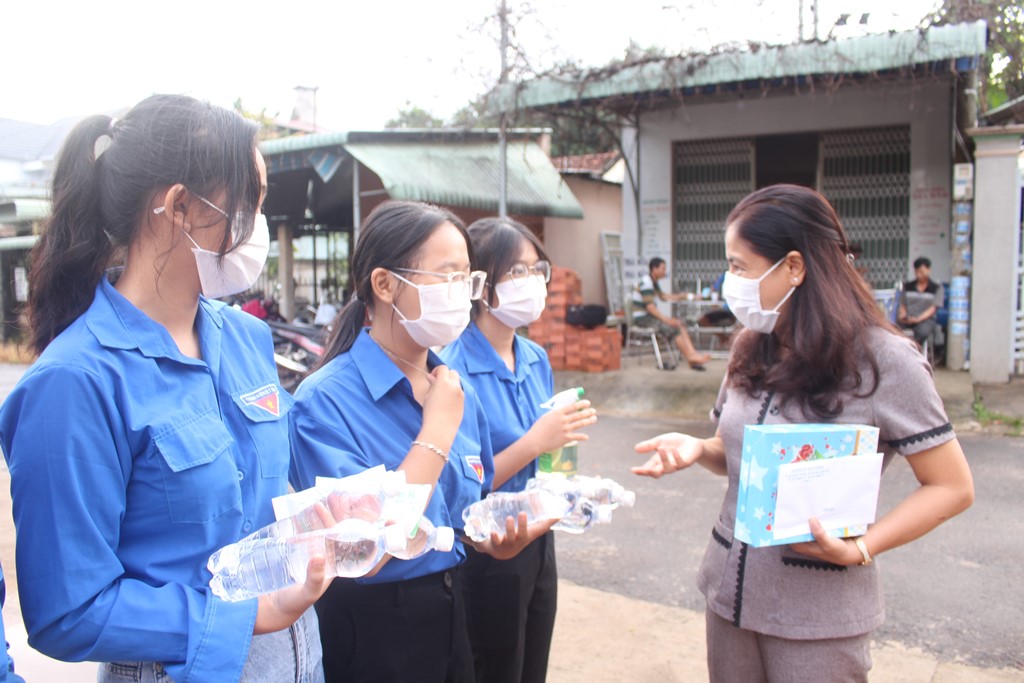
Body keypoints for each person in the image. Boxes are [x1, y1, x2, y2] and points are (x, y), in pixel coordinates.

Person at [0, 94, 329, 682]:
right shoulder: (75, 382)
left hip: (295, 659)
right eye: (248, 202)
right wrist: (239, 617)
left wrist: (333, 516)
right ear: (180, 205)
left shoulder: (247, 338)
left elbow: (265, 499)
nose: (258, 223)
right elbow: (68, 610)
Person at [631, 184, 974, 683]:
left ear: (793, 267)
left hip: (818, 614)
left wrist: (863, 546)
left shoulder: (885, 361)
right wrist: (699, 449)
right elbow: (746, 457)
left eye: (740, 267)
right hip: (731, 597)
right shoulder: (752, 344)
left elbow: (953, 486)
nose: (731, 282)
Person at [288, 201, 554, 683]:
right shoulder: (324, 402)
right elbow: (362, 547)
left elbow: (461, 511)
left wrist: (493, 542)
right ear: (385, 284)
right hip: (374, 626)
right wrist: (435, 432)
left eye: (467, 280)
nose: (462, 295)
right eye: (446, 276)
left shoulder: (452, 388)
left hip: (454, 609)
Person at [441, 218, 598, 683]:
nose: (532, 283)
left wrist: (567, 481)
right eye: (516, 272)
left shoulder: (535, 357)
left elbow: (549, 456)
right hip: (489, 547)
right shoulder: (453, 368)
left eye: (536, 270)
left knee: (533, 664)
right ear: (482, 286)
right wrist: (537, 440)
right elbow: (459, 486)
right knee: (496, 666)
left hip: (539, 535)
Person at [631, 257, 712, 370]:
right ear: (654, 269)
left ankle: (693, 355)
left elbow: (664, 297)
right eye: (663, 268)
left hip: (649, 317)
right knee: (674, 327)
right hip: (642, 319)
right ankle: (690, 357)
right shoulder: (646, 283)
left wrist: (686, 296)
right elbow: (650, 308)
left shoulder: (653, 282)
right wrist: (668, 320)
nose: (665, 271)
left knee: (679, 324)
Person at [898, 256, 944, 347]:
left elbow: (933, 308)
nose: (919, 275)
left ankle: (915, 351)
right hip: (909, 318)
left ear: (929, 270)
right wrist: (903, 315)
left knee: (921, 332)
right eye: (917, 272)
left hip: (926, 320)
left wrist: (918, 319)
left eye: (922, 272)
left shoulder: (937, 288)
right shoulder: (907, 287)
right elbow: (903, 304)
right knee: (895, 330)